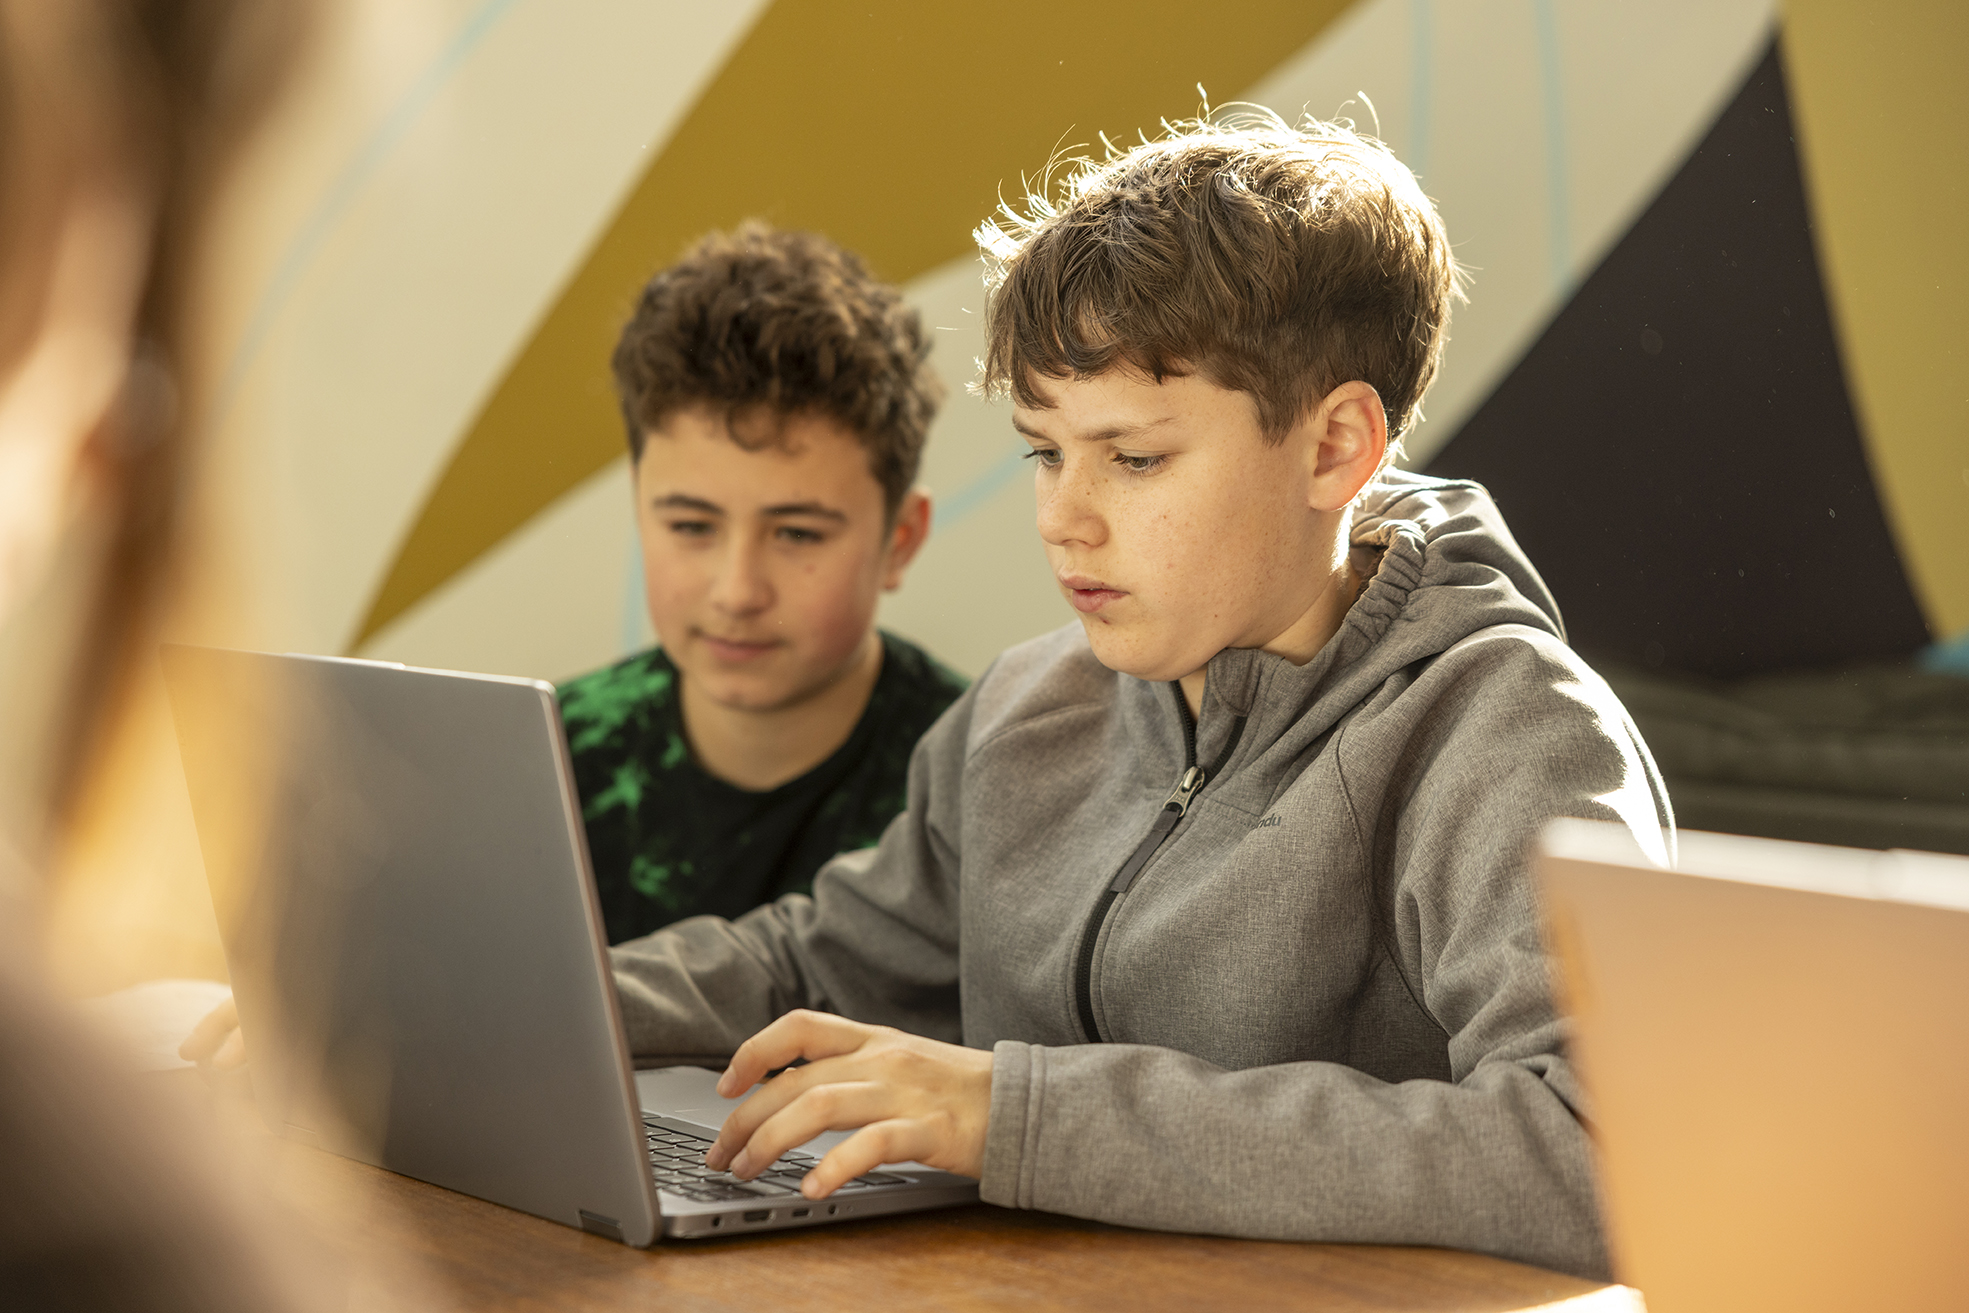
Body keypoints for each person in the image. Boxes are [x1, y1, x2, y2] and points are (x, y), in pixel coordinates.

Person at [605, 112, 1670, 1281]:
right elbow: (814, 965)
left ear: (1334, 448)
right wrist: (539, 1001)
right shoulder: (1026, 706)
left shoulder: (1508, 734)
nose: (1064, 517)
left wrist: (1023, 1115)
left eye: (1134, 457)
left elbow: (1604, 1148)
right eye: (1045, 451)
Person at [557, 224, 968, 944]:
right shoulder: (544, 765)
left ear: (900, 540)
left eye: (797, 534)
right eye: (691, 525)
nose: (737, 592)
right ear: (639, 507)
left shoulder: (984, 787)